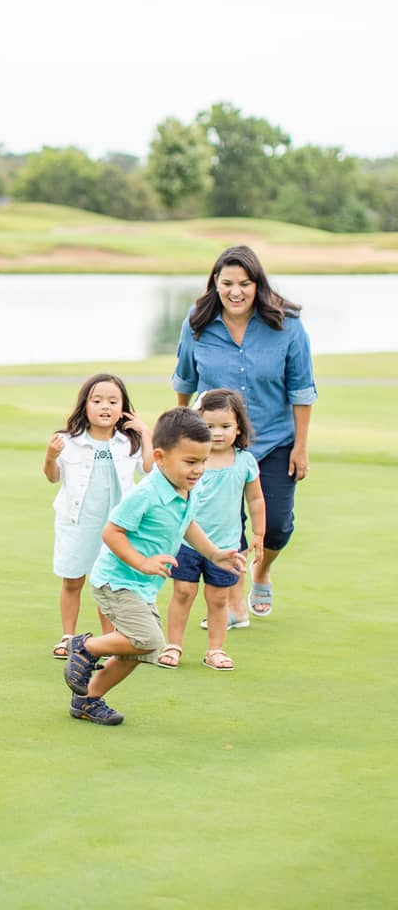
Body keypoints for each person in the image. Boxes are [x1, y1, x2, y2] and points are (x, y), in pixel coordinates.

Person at [63, 407, 245, 726]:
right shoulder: (146, 493)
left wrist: (215, 555)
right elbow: (111, 532)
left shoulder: (187, 488)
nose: (199, 469)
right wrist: (142, 562)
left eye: (203, 461)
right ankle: (84, 647)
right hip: (116, 580)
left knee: (138, 651)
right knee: (149, 640)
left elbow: (187, 524)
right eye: (191, 461)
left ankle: (87, 700)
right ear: (159, 457)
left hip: (142, 586)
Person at [172, 245, 316, 619]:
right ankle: (232, 605)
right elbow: (185, 380)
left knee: (278, 526)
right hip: (214, 446)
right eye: (227, 283)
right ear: (215, 284)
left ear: (258, 284)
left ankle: (262, 569)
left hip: (274, 441)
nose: (236, 292)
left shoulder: (287, 324)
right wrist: (178, 435)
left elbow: (301, 390)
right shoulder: (197, 323)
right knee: (225, 525)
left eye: (245, 283)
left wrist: (301, 446)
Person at [43, 373, 153, 658]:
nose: (105, 406)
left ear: (123, 409)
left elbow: (150, 469)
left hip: (115, 527)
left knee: (109, 581)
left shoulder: (128, 442)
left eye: (113, 401)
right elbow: (53, 477)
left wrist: (146, 432)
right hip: (78, 522)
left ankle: (110, 639)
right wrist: (50, 456)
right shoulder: (68, 441)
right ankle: (68, 635)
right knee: (73, 579)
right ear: (85, 406)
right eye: (97, 400)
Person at [159, 389, 265, 671]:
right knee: (182, 592)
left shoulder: (244, 461)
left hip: (226, 546)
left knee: (219, 599)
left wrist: (258, 533)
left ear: (238, 427)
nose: (217, 433)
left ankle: (215, 650)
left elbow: (255, 498)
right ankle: (173, 645)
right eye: (209, 427)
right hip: (187, 543)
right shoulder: (192, 459)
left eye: (225, 426)